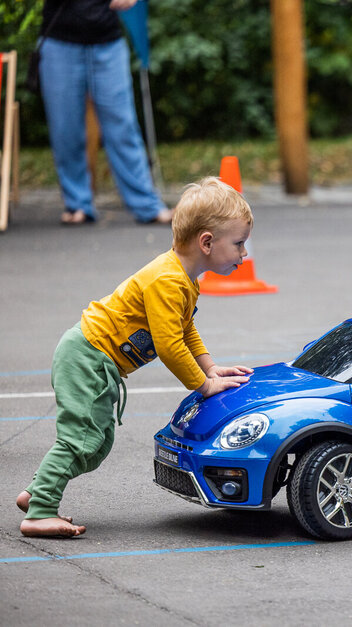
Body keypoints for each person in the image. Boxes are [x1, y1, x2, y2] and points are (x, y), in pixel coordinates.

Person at [16, 178, 254, 537]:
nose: (244, 254)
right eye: (239, 244)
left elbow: (185, 329)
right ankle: (39, 512)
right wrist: (205, 385)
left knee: (96, 442)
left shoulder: (184, 278)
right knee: (83, 439)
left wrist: (210, 365)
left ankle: (37, 492)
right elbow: (169, 345)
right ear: (206, 242)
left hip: (96, 359)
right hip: (88, 356)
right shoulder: (167, 280)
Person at [39, 0, 171, 225]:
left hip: (108, 41)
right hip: (59, 40)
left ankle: (147, 206)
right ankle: (77, 204)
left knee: (123, 126)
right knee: (66, 129)